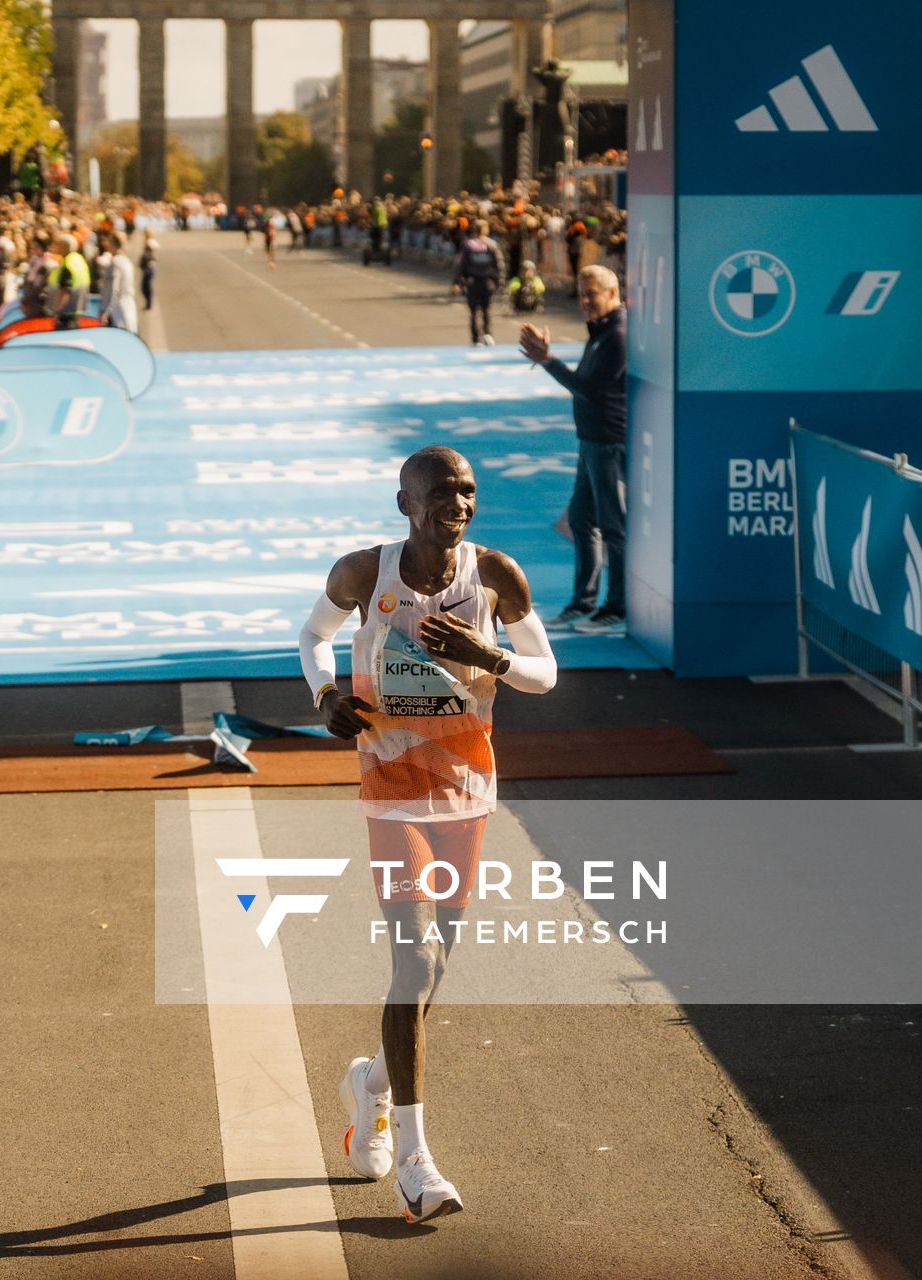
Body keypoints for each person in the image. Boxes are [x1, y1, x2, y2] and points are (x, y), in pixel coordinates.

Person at [298, 445, 557, 1224]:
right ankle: (415, 1160)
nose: (460, 502)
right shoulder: (362, 574)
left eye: (469, 490)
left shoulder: (495, 576)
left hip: (468, 792)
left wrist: (491, 656)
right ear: (405, 501)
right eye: (443, 490)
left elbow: (546, 672)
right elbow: (312, 636)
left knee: (435, 966)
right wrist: (323, 694)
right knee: (414, 957)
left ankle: (370, 1084)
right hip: (391, 790)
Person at [520, 264, 628, 633]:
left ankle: (617, 606)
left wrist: (548, 361)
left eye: (592, 294)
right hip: (592, 442)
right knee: (582, 520)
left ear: (613, 294)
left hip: (609, 442)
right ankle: (583, 601)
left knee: (614, 526)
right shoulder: (601, 332)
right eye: (580, 294)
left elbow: (591, 388)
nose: (584, 301)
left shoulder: (618, 334)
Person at [452, 220, 503, 345]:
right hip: (487, 282)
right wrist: (499, 281)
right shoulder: (492, 244)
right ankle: (487, 334)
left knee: (474, 311)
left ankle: (476, 339)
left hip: (472, 282)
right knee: (486, 310)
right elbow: (499, 264)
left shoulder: (468, 245)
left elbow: (460, 264)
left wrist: (457, 280)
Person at [94, 229, 138, 333]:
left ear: (112, 243)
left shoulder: (115, 262)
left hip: (117, 308)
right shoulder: (126, 261)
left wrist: (107, 311)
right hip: (127, 304)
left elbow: (115, 289)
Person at [46, 232, 91, 327]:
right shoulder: (78, 259)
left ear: (64, 246)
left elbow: (66, 289)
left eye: (57, 244)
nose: (55, 247)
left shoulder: (68, 263)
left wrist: (57, 309)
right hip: (77, 308)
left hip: (66, 312)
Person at [139, 234, 158, 313]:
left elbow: (155, 248)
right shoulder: (148, 242)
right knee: (144, 287)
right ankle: (148, 302)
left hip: (149, 268)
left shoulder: (151, 242)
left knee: (147, 287)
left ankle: (149, 303)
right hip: (147, 268)